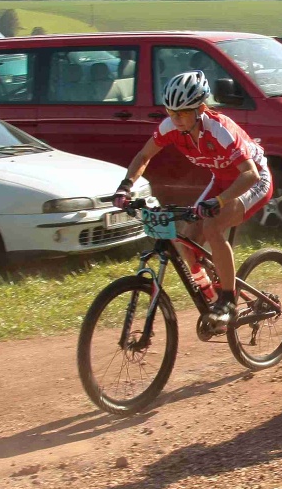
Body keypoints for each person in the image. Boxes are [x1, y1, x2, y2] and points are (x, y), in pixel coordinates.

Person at [114, 71, 273, 328]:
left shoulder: (220, 129)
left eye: (182, 113)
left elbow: (250, 174)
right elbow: (144, 156)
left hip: (253, 180)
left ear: (200, 109)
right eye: (170, 112)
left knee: (212, 226)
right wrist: (125, 187)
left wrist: (219, 202)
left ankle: (227, 301)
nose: (175, 118)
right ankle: (212, 298)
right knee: (187, 242)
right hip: (222, 179)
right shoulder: (171, 127)